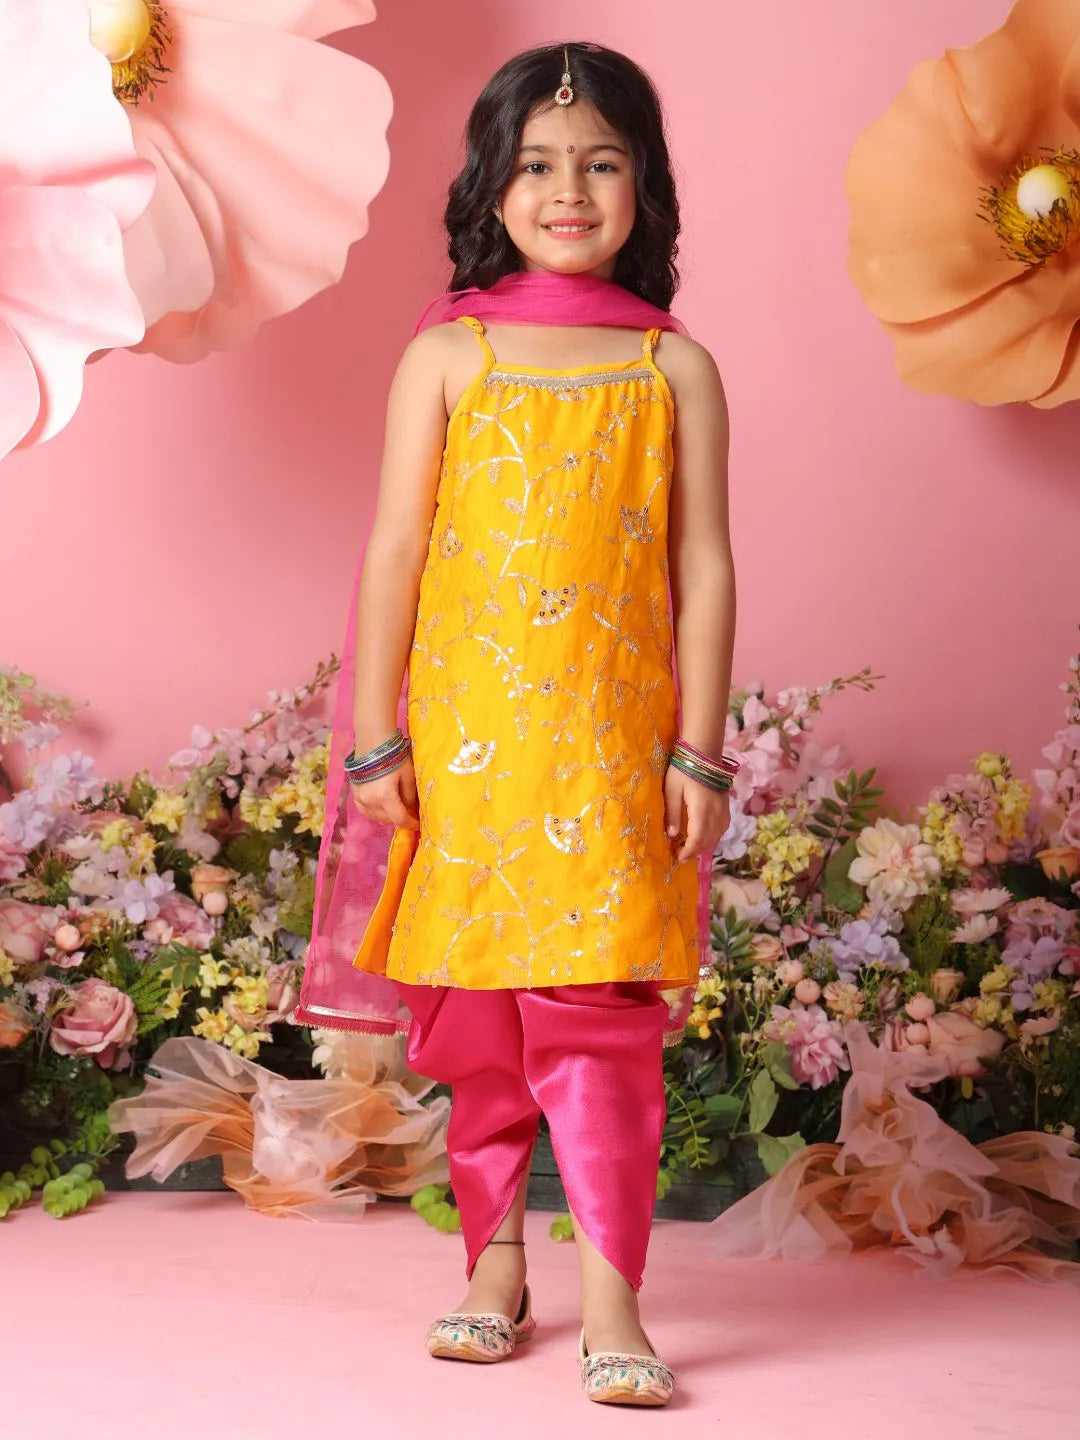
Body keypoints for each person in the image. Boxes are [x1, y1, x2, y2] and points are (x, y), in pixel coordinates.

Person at [296, 41, 737, 1408]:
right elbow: (391, 554)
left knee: (600, 1026)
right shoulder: (451, 351)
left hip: (612, 765)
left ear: (644, 187)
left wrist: (699, 751)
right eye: (539, 163)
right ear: (493, 187)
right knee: (480, 1024)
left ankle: (616, 1299)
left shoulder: (673, 370)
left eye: (602, 161)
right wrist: (378, 738)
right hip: (468, 762)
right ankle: (495, 1269)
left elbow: (705, 568)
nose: (568, 187)